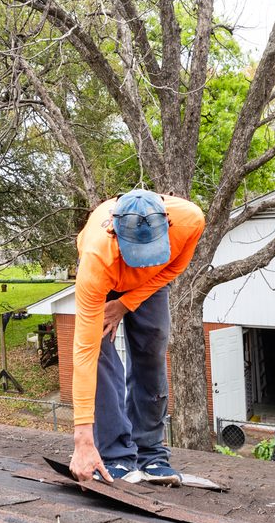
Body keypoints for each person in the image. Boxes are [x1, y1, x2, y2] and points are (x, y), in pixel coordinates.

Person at [68, 189, 205, 486]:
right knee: (100, 354)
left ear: (167, 224)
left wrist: (126, 304)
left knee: (152, 345)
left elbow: (174, 267)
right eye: (136, 255)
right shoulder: (96, 258)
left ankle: (150, 452)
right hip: (108, 275)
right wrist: (82, 440)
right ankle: (115, 453)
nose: (140, 262)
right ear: (115, 233)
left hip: (152, 283)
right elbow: (83, 353)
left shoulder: (189, 220)